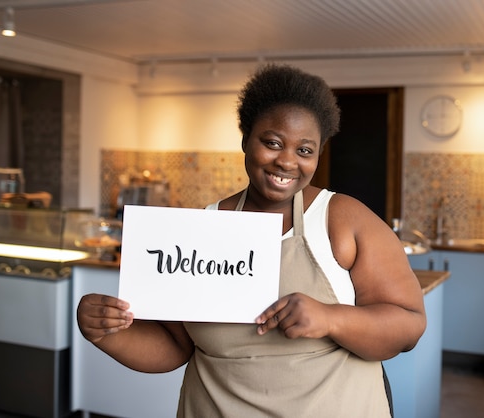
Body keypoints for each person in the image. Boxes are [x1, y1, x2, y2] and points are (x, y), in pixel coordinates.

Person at [77, 64, 426, 417]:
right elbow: (176, 346)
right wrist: (106, 332)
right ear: (246, 140)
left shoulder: (343, 219)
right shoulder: (204, 228)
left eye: (305, 150)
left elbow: (408, 327)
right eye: (272, 143)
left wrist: (331, 318)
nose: (287, 161)